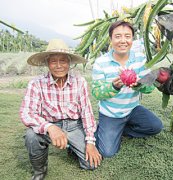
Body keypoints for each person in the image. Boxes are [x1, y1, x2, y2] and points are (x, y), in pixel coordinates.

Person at [19, 39, 102, 180]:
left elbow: (86, 113)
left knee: (91, 164)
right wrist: (50, 127)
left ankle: (72, 148)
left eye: (63, 61)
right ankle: (39, 171)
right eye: (53, 61)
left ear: (69, 63)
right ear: (47, 63)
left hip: (74, 126)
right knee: (31, 136)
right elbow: (26, 113)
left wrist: (90, 142)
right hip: (50, 126)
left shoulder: (79, 82)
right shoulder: (36, 83)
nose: (58, 66)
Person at [91, 20, 164, 158]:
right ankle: (104, 129)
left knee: (156, 127)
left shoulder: (141, 59)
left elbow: (149, 88)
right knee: (107, 152)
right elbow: (97, 93)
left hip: (133, 110)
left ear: (132, 39)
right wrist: (114, 86)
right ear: (111, 39)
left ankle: (121, 130)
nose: (123, 40)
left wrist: (139, 84)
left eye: (127, 36)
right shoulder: (101, 63)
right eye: (118, 36)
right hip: (110, 113)